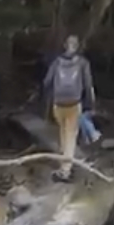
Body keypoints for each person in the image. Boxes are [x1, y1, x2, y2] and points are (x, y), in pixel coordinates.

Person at [42, 35, 96, 177]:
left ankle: (63, 163)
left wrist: (51, 97)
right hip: (74, 103)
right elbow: (88, 85)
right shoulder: (83, 63)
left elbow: (46, 82)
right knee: (70, 136)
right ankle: (66, 170)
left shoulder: (56, 62)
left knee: (63, 133)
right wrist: (90, 104)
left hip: (58, 104)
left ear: (65, 45)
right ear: (77, 46)